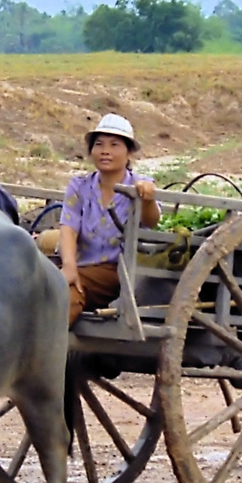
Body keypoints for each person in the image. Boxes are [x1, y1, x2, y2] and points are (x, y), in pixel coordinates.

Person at [59, 113, 160, 326]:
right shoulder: (80, 185)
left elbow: (152, 222)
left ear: (128, 152)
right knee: (45, 280)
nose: (105, 151)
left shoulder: (140, 185)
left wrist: (148, 199)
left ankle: (44, 349)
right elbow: (69, 227)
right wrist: (69, 265)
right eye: (99, 144)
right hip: (83, 265)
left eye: (114, 145)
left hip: (119, 271)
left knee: (67, 290)